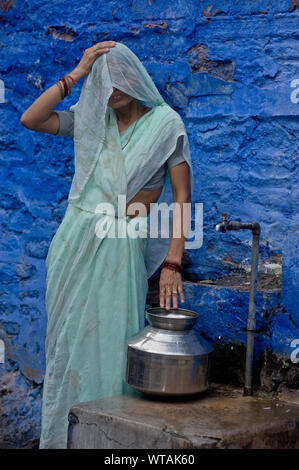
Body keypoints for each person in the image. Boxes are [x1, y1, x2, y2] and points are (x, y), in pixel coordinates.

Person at [20, 41, 194, 449]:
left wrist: (173, 261)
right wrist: (79, 72)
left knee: (113, 347)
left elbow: (182, 198)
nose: (112, 85)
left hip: (119, 248)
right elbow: (31, 118)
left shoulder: (166, 124)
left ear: (135, 75)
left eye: (120, 74)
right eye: (105, 76)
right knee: (67, 345)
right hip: (73, 244)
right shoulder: (89, 119)